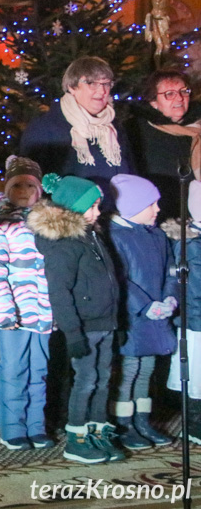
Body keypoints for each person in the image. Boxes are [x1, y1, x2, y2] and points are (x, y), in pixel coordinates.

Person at [27, 173, 123, 464]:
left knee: (104, 379)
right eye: (92, 206)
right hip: (84, 326)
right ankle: (77, 438)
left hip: (105, 322)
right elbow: (60, 292)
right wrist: (74, 334)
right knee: (86, 380)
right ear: (72, 210)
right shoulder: (63, 244)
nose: (98, 212)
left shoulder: (92, 235)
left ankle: (97, 431)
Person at [0, 156, 54, 451]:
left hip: (43, 312)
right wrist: (3, 310)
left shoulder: (47, 223)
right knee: (13, 369)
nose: (24, 190)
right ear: (7, 187)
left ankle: (36, 425)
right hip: (12, 313)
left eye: (30, 185)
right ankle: (12, 427)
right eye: (17, 185)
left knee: (39, 369)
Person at [106, 174, 176, 450]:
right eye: (152, 204)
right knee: (129, 369)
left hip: (156, 315)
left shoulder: (157, 235)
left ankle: (142, 420)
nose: (158, 210)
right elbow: (121, 279)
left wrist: (170, 298)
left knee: (147, 368)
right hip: (133, 316)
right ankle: (123, 423)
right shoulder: (115, 236)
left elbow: (171, 270)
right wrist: (145, 306)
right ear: (134, 206)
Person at [20, 56, 133, 194]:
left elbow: (131, 173)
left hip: (114, 212)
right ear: (72, 87)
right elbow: (31, 183)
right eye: (92, 83)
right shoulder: (44, 128)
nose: (101, 91)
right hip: (69, 213)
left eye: (106, 84)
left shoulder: (114, 127)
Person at [128, 69, 201, 219]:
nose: (179, 98)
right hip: (161, 214)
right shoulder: (136, 130)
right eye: (169, 94)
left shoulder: (197, 127)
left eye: (183, 91)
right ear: (153, 102)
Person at [162, 180, 201, 444]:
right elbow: (191, 286)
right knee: (196, 372)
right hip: (196, 319)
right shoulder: (190, 244)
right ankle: (194, 423)